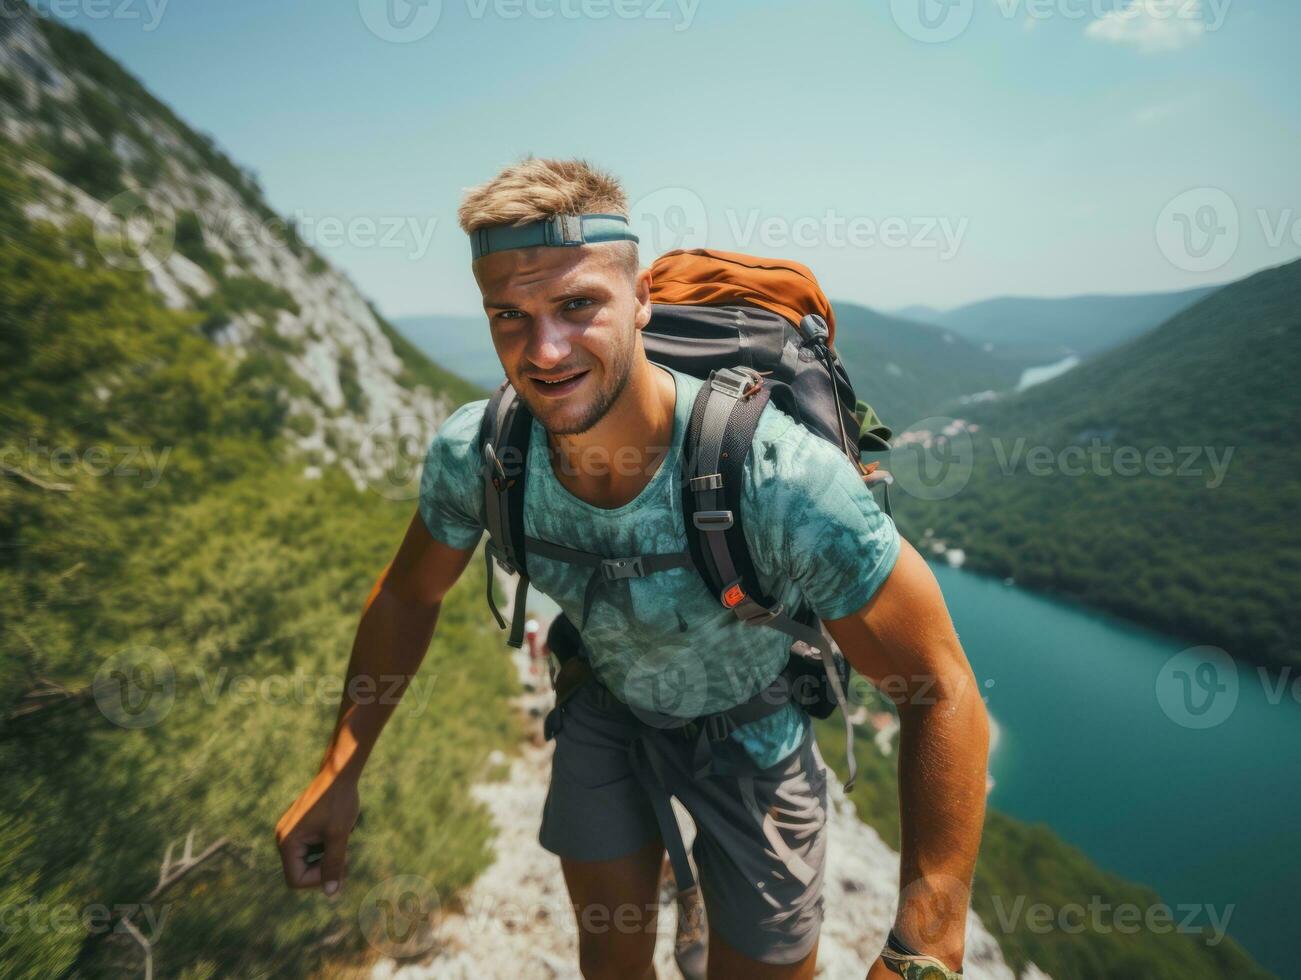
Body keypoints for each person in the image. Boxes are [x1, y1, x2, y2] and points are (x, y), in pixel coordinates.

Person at [275, 158, 989, 980]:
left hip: (753, 729)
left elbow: (937, 684)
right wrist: (340, 771)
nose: (543, 350)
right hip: (607, 707)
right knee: (609, 964)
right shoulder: (482, 454)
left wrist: (925, 944)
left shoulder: (777, 478)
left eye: (577, 304)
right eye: (508, 314)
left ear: (641, 298)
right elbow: (407, 594)